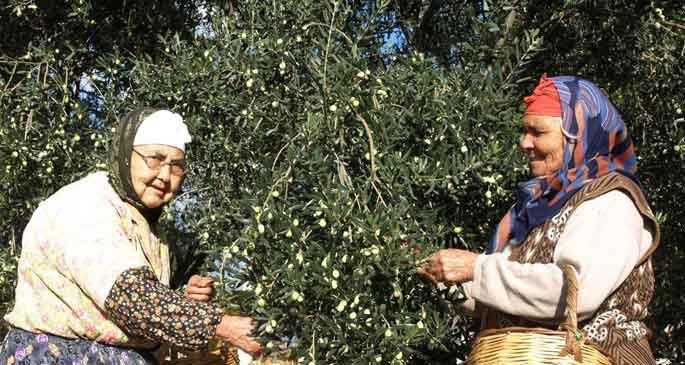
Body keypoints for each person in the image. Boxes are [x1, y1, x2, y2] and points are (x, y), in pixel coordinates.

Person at [418, 75, 660, 364]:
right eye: (524, 130)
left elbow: (575, 294)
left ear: (578, 134)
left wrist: (477, 269)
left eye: (538, 132)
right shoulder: (538, 208)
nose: (524, 142)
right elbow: (502, 298)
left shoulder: (610, 201)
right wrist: (446, 278)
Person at [0, 108, 262, 364]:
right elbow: (128, 297)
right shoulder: (85, 205)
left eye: (177, 166)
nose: (164, 175)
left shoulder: (145, 224)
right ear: (126, 155)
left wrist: (182, 299)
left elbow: (126, 304)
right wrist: (223, 325)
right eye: (154, 159)